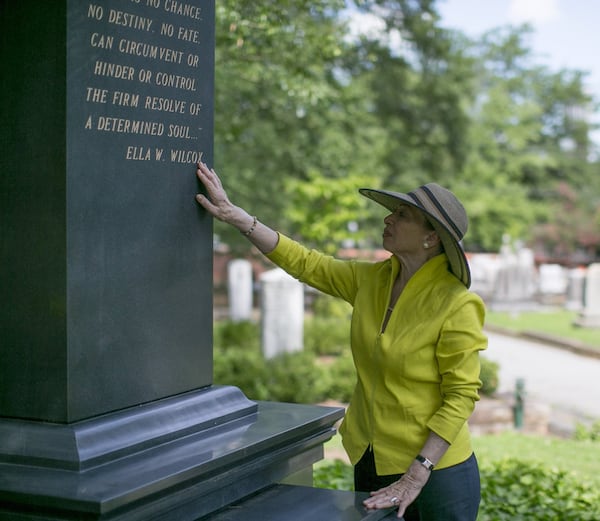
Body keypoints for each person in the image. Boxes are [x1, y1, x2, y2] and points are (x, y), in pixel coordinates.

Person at [195, 162, 487, 521]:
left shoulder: (457, 303)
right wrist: (239, 218)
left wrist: (419, 470)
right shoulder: (373, 279)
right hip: (372, 458)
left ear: (432, 238)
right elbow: (307, 263)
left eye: (403, 215)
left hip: (436, 472)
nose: (388, 219)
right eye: (393, 211)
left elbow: (461, 396)